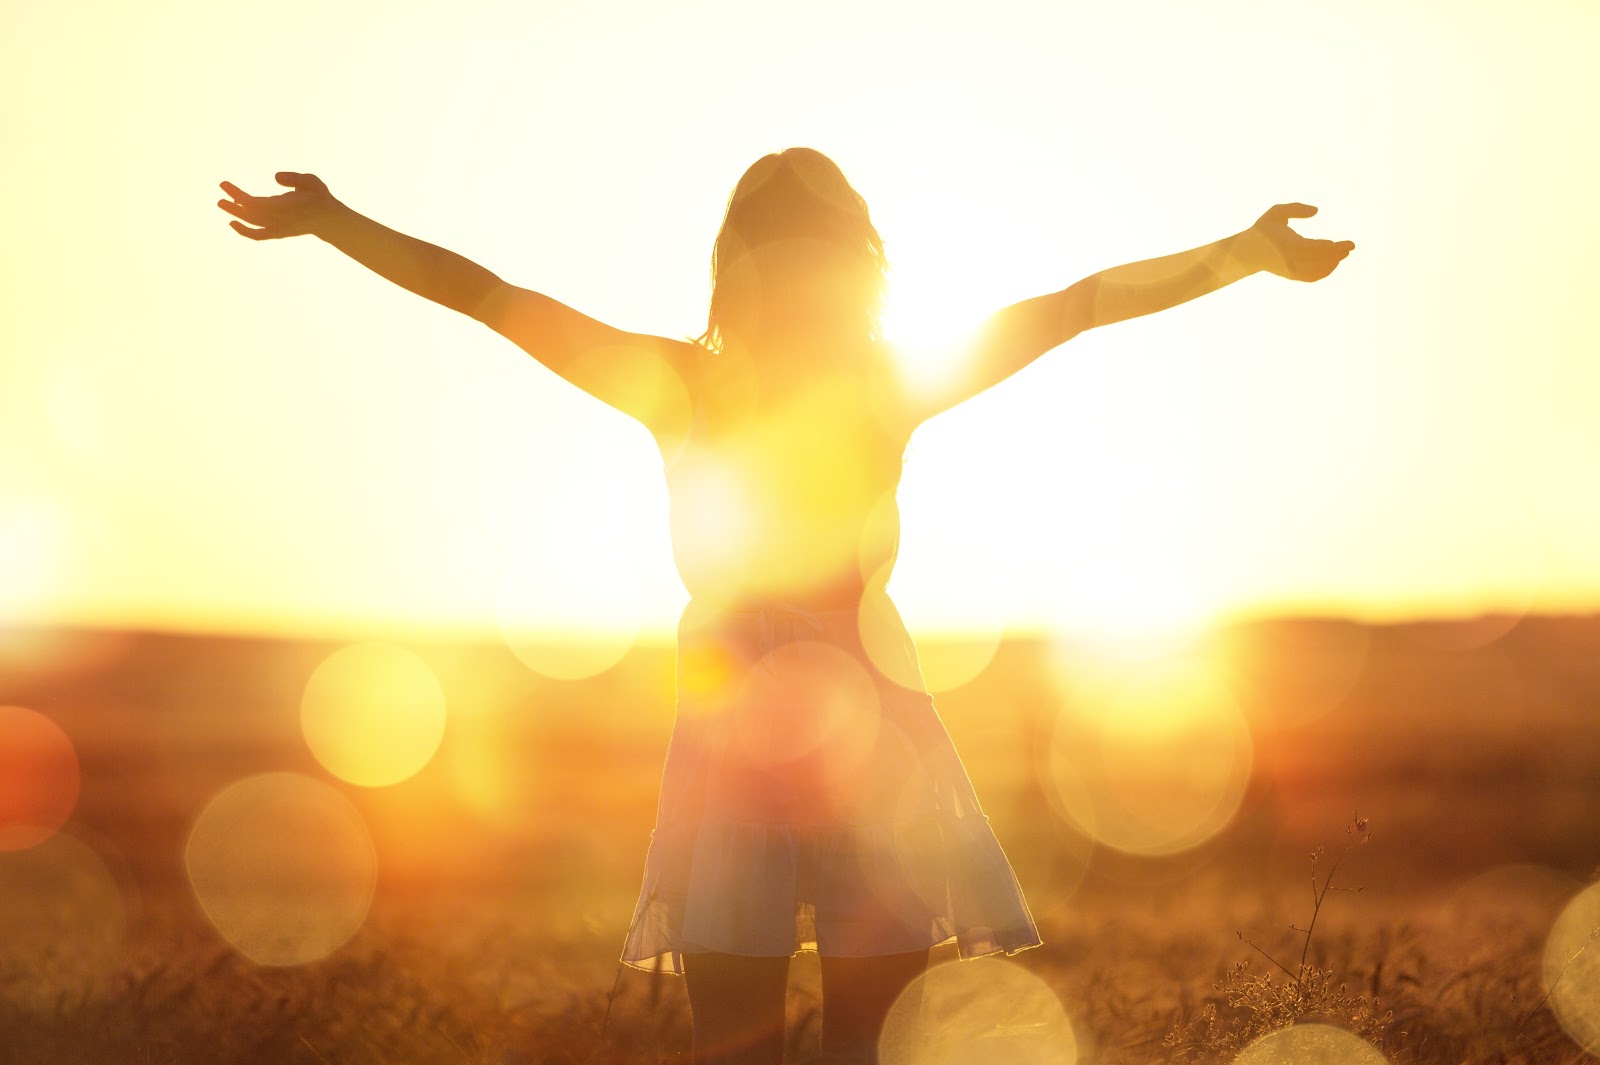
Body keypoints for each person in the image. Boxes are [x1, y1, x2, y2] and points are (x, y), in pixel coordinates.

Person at [217, 148, 1353, 1065]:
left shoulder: (848, 387)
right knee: (749, 1042)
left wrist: (1244, 254)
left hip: (861, 739)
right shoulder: (710, 385)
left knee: (835, 1040)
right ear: (758, 268)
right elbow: (493, 301)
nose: (803, 280)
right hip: (756, 740)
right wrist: (338, 223)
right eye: (787, 255)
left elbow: (1072, 309)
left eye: (817, 256)